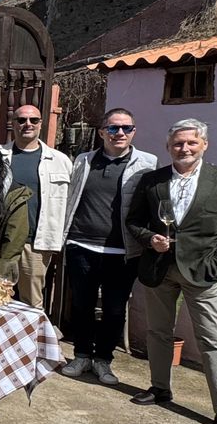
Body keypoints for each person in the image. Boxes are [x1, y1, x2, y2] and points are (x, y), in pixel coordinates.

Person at [125, 119, 217, 424]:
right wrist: (149, 238)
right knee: (158, 332)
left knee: (215, 340)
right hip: (159, 269)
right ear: (168, 147)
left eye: (191, 143)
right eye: (178, 143)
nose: (184, 149)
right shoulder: (152, 181)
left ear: (204, 145)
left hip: (202, 273)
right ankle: (160, 388)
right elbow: (134, 221)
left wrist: (216, 266)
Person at [58, 108, 157, 385]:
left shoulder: (147, 163)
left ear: (134, 132)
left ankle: (103, 360)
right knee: (82, 305)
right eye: (113, 128)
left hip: (123, 251)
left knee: (114, 310)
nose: (120, 133)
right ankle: (81, 355)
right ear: (102, 132)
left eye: (126, 128)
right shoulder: (84, 160)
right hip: (81, 244)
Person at [0, 104, 72, 309]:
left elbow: (70, 202)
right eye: (21, 120)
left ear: (41, 123)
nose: (27, 124)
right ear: (13, 124)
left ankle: (33, 332)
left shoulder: (60, 161)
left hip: (35, 244)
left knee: (31, 302)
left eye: (33, 120)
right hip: (0, 242)